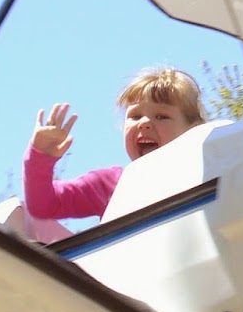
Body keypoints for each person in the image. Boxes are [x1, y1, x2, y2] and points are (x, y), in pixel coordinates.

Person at [24, 67, 206, 221]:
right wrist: (40, 157)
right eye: (135, 116)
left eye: (161, 116)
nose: (144, 123)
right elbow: (44, 205)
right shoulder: (110, 184)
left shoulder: (207, 174)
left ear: (194, 130)